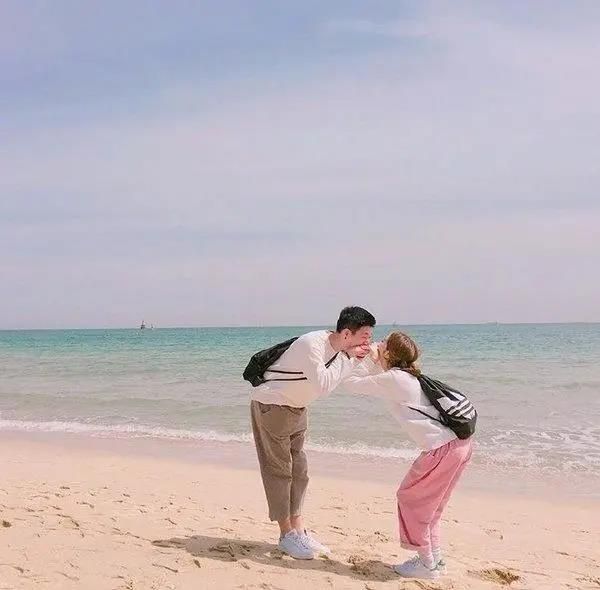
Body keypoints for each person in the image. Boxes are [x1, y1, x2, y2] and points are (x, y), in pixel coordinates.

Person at [343, 331, 473, 580]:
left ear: (389, 353)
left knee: (411, 500)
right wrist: (376, 359)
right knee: (431, 507)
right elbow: (375, 381)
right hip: (459, 445)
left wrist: (368, 357)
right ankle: (435, 560)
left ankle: (426, 564)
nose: (378, 343)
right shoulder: (406, 376)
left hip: (442, 449)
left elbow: (351, 383)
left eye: (383, 342)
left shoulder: (395, 379)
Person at [250, 306, 376, 560]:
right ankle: (286, 535)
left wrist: (374, 360)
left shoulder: (341, 351)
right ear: (347, 334)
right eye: (364, 336)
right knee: (279, 470)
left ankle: (299, 531)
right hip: (272, 406)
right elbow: (324, 385)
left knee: (300, 471)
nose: (367, 341)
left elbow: (346, 379)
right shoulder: (312, 345)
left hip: (297, 408)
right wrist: (349, 357)